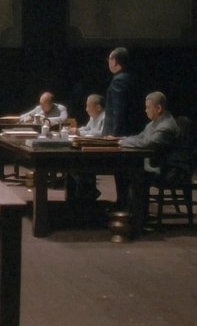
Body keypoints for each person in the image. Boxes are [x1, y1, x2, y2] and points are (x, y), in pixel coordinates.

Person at [106, 91, 179, 234]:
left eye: (148, 107)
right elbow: (140, 137)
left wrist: (121, 143)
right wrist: (120, 140)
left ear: (158, 108)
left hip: (164, 169)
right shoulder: (154, 123)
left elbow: (148, 144)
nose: (145, 110)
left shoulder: (166, 126)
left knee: (136, 175)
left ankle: (138, 220)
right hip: (154, 164)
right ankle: (129, 211)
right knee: (124, 172)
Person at [66, 94, 106, 205]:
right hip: (89, 149)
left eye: (88, 106)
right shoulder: (93, 117)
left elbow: (101, 134)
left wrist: (79, 132)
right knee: (71, 164)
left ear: (98, 107)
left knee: (78, 166)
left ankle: (87, 194)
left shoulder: (104, 117)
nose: (86, 109)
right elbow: (87, 128)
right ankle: (80, 196)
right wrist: (76, 130)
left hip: (101, 152)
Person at [102, 47, 138, 137]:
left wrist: (115, 136)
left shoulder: (119, 81)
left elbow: (119, 110)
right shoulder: (128, 77)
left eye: (109, 59)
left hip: (115, 134)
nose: (108, 62)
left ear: (114, 61)